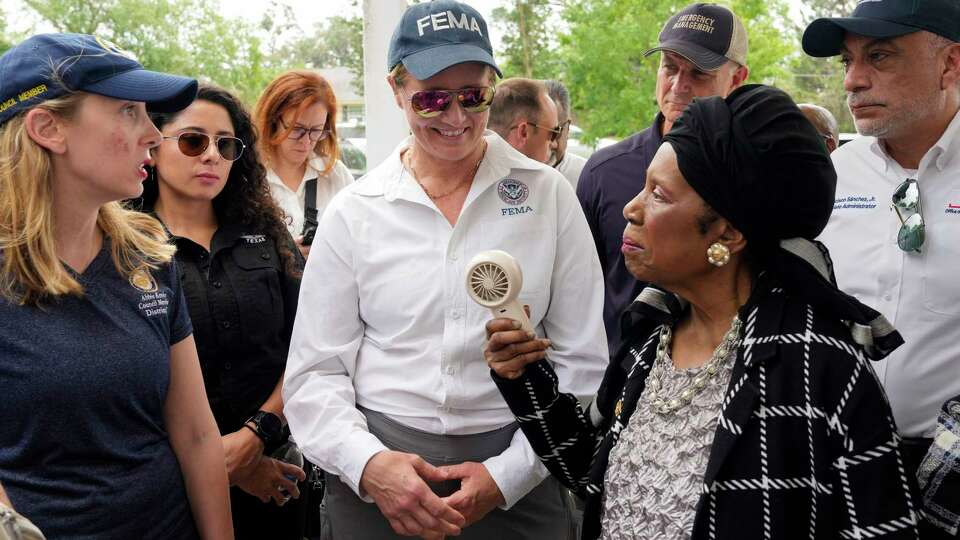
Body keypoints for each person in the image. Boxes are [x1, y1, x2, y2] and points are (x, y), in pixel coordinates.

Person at [485, 85, 920, 539]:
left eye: (659, 195)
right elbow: (590, 473)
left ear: (728, 235)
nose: (631, 209)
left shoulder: (821, 369)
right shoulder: (650, 337)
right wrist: (524, 376)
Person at [282, 1, 607, 539]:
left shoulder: (547, 195)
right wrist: (370, 466)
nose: (456, 118)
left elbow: (583, 362)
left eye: (474, 97)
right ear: (396, 90)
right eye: (432, 99)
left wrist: (506, 477)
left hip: (520, 465)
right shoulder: (356, 210)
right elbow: (316, 373)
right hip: (381, 477)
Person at [0, 33, 232, 539]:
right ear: (47, 128)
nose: (153, 133)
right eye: (129, 111)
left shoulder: (149, 257)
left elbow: (195, 435)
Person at [802, 2, 960, 536]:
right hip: (833, 468)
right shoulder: (827, 178)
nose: (852, 80)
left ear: (951, 64)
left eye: (880, 56)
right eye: (847, 61)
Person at [135, 84, 308, 539]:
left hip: (277, 473)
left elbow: (314, 343)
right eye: (193, 141)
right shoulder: (121, 245)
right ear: (153, 143)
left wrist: (255, 438)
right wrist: (222, 466)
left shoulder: (266, 235)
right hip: (167, 487)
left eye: (226, 145)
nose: (211, 155)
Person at [577, 2, 749, 355]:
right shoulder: (604, 172)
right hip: (616, 385)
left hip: (718, 379)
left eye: (699, 73)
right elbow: (577, 292)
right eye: (669, 67)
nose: (678, 85)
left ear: (737, 78)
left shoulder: (751, 174)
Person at [253, 70, 353, 259]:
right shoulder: (248, 177)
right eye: (296, 129)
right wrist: (283, 258)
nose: (306, 142)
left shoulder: (335, 174)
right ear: (272, 120)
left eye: (316, 131)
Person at [487, 77, 561, 164]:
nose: (555, 144)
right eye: (553, 133)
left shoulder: (472, 171)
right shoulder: (550, 177)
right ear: (523, 132)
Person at [545, 79, 587, 188]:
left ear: (567, 129)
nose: (550, 143)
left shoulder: (587, 176)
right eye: (539, 133)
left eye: (555, 132)